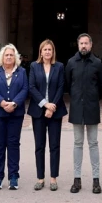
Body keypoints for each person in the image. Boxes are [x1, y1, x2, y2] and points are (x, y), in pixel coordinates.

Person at [65, 33, 102, 194]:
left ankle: (96, 180)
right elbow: (68, 83)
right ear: (77, 44)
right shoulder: (71, 63)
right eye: (81, 43)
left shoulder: (97, 63)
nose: (84, 46)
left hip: (92, 107)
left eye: (86, 43)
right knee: (77, 143)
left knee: (93, 143)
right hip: (76, 108)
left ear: (91, 45)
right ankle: (77, 179)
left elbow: (101, 85)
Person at [0, 44, 28, 189]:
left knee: (13, 144)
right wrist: (2, 102)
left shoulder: (22, 72)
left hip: (16, 114)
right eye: (6, 55)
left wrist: (15, 103)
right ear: (2, 57)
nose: (9, 57)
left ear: (15, 57)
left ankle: (13, 177)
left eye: (11, 55)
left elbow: (25, 89)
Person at [28, 39, 67, 191]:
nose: (47, 52)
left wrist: (52, 107)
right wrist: (45, 104)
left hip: (55, 111)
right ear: (41, 51)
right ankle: (40, 178)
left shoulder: (59, 67)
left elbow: (61, 87)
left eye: (50, 49)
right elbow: (31, 87)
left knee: (54, 145)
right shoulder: (34, 66)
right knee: (39, 145)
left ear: (53, 52)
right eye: (45, 49)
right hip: (38, 111)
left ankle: (53, 178)